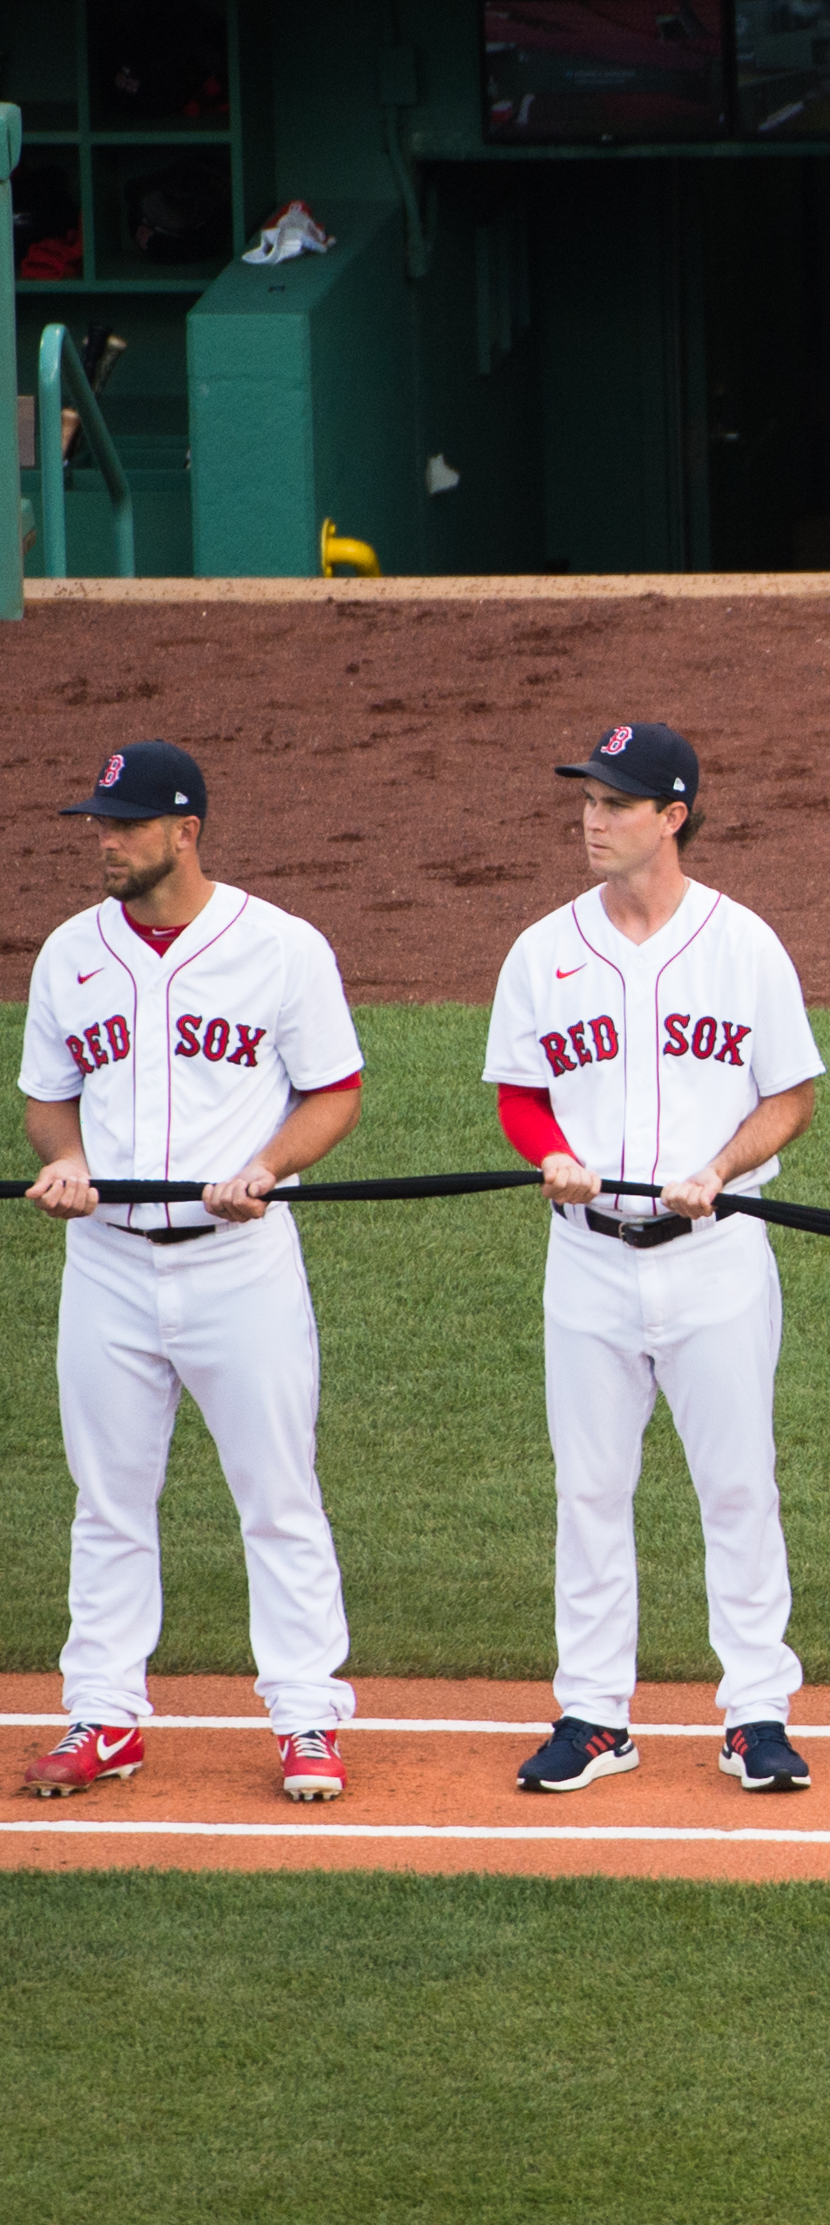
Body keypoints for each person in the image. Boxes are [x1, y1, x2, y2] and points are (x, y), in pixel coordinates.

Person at [18, 742, 367, 1806]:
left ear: (186, 830)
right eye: (98, 823)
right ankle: (104, 1717)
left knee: (278, 1495)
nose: (105, 840)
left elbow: (334, 1091)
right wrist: (65, 1161)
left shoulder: (281, 948)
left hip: (239, 1266)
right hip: (109, 1265)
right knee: (109, 1498)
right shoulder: (69, 954)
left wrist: (266, 1166)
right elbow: (48, 1094)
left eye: (124, 823)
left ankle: (308, 1718)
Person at [484, 724, 827, 1797]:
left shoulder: (744, 945)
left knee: (737, 1488)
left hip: (717, 1256)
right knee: (589, 1489)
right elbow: (519, 1094)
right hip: (585, 1262)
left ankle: (755, 1713)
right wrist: (554, 1158)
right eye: (586, 800)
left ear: (672, 816)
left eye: (616, 803)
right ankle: (594, 1714)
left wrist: (722, 1164)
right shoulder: (543, 950)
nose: (592, 819)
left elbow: (792, 1093)